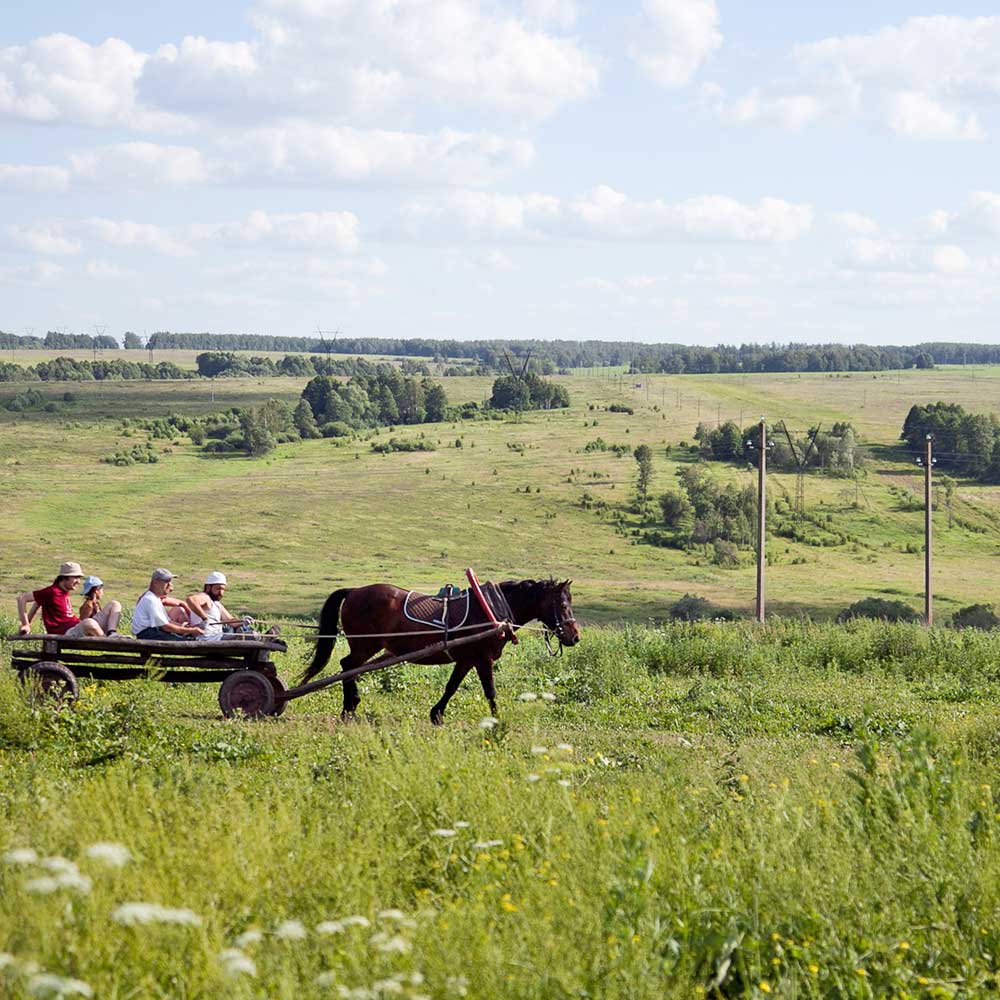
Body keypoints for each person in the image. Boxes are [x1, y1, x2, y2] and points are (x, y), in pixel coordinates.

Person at [16, 562, 111, 638]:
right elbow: (22, 598)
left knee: (114, 605)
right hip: (66, 633)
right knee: (89, 622)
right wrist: (25, 624)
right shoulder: (52, 591)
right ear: (65, 578)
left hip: (75, 626)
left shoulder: (64, 591)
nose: (78, 581)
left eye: (79, 578)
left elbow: (37, 603)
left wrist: (28, 623)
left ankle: (112, 633)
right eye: (75, 577)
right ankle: (106, 641)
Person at [132, 569, 204, 640]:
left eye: (170, 582)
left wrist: (188, 628)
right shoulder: (151, 600)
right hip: (148, 634)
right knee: (187, 643)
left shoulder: (155, 598)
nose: (170, 586)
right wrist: (191, 630)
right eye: (166, 582)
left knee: (187, 640)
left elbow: (167, 622)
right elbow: (165, 627)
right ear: (155, 582)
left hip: (153, 632)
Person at [186, 571, 254, 641]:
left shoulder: (217, 604)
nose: (221, 593)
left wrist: (243, 621)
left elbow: (230, 621)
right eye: (218, 588)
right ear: (208, 587)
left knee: (250, 634)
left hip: (218, 637)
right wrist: (205, 618)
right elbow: (191, 600)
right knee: (251, 636)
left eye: (223, 589)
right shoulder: (205, 597)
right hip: (207, 639)